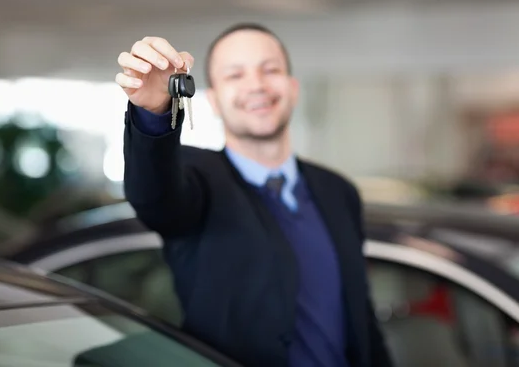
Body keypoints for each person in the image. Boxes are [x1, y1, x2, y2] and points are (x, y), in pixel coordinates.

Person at [116, 23, 394, 367]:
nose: (256, 85)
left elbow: (361, 320)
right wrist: (154, 113)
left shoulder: (338, 191)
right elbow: (154, 195)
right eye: (235, 75)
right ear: (214, 100)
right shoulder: (196, 180)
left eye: (271, 70)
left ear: (293, 88)